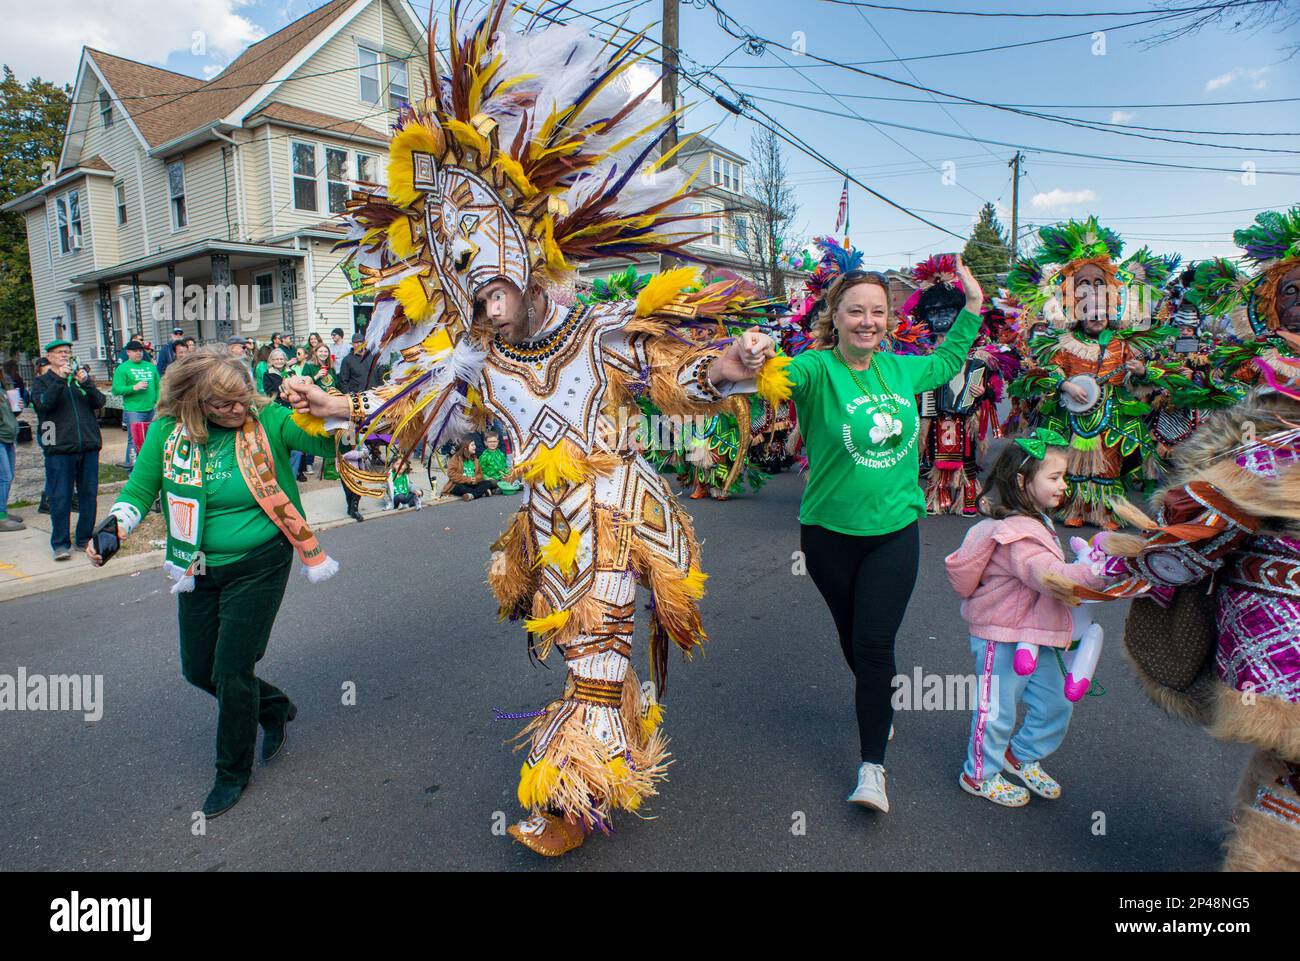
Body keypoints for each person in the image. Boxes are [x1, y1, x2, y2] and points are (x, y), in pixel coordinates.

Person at [282, 0, 782, 857]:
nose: (476, 275)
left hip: (618, 518)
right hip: (545, 533)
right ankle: (629, 725)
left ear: (526, 240)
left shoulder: (602, 330)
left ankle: (573, 797)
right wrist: (339, 407)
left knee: (593, 657)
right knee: (583, 654)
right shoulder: (481, 364)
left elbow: (681, 376)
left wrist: (735, 365)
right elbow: (414, 407)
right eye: (458, 263)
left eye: (484, 246)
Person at [1070, 207, 1300, 871]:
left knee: (1289, 753)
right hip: (1280, 615)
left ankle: (1254, 821)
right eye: (1294, 292)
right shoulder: (1262, 430)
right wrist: (1130, 564)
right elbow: (1197, 519)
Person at [87, 347, 339, 819]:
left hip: (260, 559)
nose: (238, 410)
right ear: (194, 402)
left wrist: (330, 414)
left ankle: (232, 772)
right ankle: (275, 705)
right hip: (197, 565)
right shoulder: (166, 432)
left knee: (230, 670)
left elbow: (330, 444)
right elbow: (139, 490)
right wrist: (114, 528)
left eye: (242, 399)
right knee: (198, 670)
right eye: (224, 405)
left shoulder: (267, 421)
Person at [785, 258, 984, 814]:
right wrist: (746, 359)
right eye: (856, 311)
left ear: (888, 319)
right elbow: (774, 376)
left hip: (894, 532)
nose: (867, 321)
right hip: (827, 535)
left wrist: (971, 305)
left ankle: (872, 767)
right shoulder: (815, 369)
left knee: (874, 644)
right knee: (852, 637)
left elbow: (947, 361)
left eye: (877, 311)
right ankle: (878, 699)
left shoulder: (901, 370)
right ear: (836, 316)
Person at [943, 432, 1107, 807]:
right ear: (1021, 481)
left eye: (1063, 477)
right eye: (1054, 477)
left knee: (1055, 703)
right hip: (1002, 636)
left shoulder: (1038, 521)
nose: (1063, 486)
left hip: (1039, 632)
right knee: (996, 708)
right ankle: (979, 774)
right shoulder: (1016, 534)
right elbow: (1048, 575)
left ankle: (1021, 755)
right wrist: (1102, 573)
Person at [1007, 219, 1173, 528]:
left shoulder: (1122, 343)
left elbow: (1145, 375)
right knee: (1072, 464)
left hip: (1110, 410)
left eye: (1101, 313)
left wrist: (1140, 371)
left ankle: (1106, 512)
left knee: (1108, 464)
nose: (1096, 318)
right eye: (1089, 312)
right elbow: (1051, 371)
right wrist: (1066, 386)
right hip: (1074, 412)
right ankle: (1074, 510)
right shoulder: (1066, 343)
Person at [31, 339, 104, 560]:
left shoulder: (78, 382)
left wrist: (87, 382)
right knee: (60, 496)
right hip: (60, 448)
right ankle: (60, 543)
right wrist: (60, 380)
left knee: (88, 494)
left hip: (88, 445)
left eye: (68, 352)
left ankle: (84, 538)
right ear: (50, 357)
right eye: (61, 352)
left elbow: (99, 401)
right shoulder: (42, 382)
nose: (65, 356)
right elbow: (44, 405)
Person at [335, 333, 383, 522]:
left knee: (364, 456)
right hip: (353, 411)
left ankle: (354, 502)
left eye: (361, 342)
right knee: (352, 456)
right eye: (355, 343)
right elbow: (343, 382)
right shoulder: (347, 360)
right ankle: (352, 504)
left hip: (372, 408)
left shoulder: (373, 357)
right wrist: (351, 400)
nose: (358, 345)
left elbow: (379, 377)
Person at [110, 339, 160, 469]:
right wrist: (134, 387)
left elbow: (158, 386)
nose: (138, 353)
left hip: (152, 408)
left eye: (140, 351)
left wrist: (159, 402)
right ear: (128, 352)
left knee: (151, 438)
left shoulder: (150, 366)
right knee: (134, 440)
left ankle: (148, 466)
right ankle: (132, 468)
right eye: (135, 351)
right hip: (134, 410)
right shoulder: (122, 368)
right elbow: (116, 389)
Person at [0, 366, 22, 531]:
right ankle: (1, 517)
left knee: (9, 475)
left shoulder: (2, 389)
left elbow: (9, 414)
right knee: (4, 477)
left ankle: (3, 511)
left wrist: (17, 407)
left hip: (8, 437)